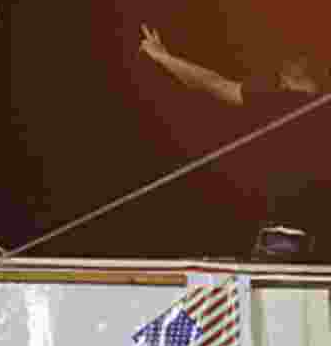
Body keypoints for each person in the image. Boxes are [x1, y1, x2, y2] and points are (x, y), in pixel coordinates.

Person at [139, 24, 328, 262]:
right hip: (290, 236)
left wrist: (163, 57)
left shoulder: (297, 102)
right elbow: (210, 82)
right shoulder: (273, 101)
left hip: (291, 236)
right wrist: (164, 58)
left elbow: (210, 82)